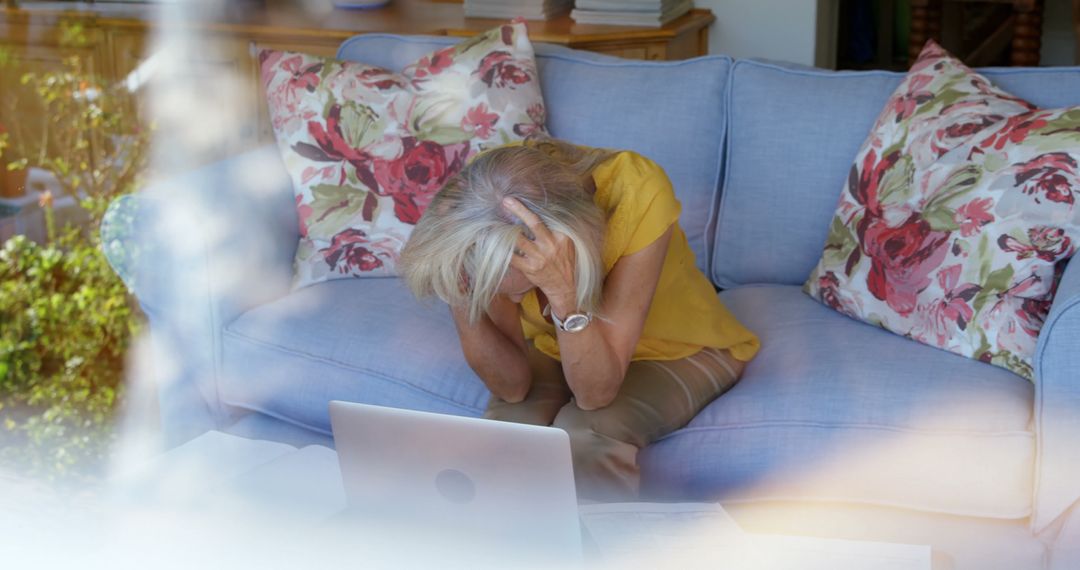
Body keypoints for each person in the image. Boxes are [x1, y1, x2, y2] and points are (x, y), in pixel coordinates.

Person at [399, 137, 759, 501]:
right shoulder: (487, 192)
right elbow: (511, 388)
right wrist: (460, 287)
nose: (509, 300)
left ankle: (598, 555)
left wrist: (563, 297)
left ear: (558, 244)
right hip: (555, 346)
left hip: (677, 348)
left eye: (510, 287)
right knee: (511, 434)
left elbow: (594, 395)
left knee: (586, 436)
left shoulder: (637, 191)